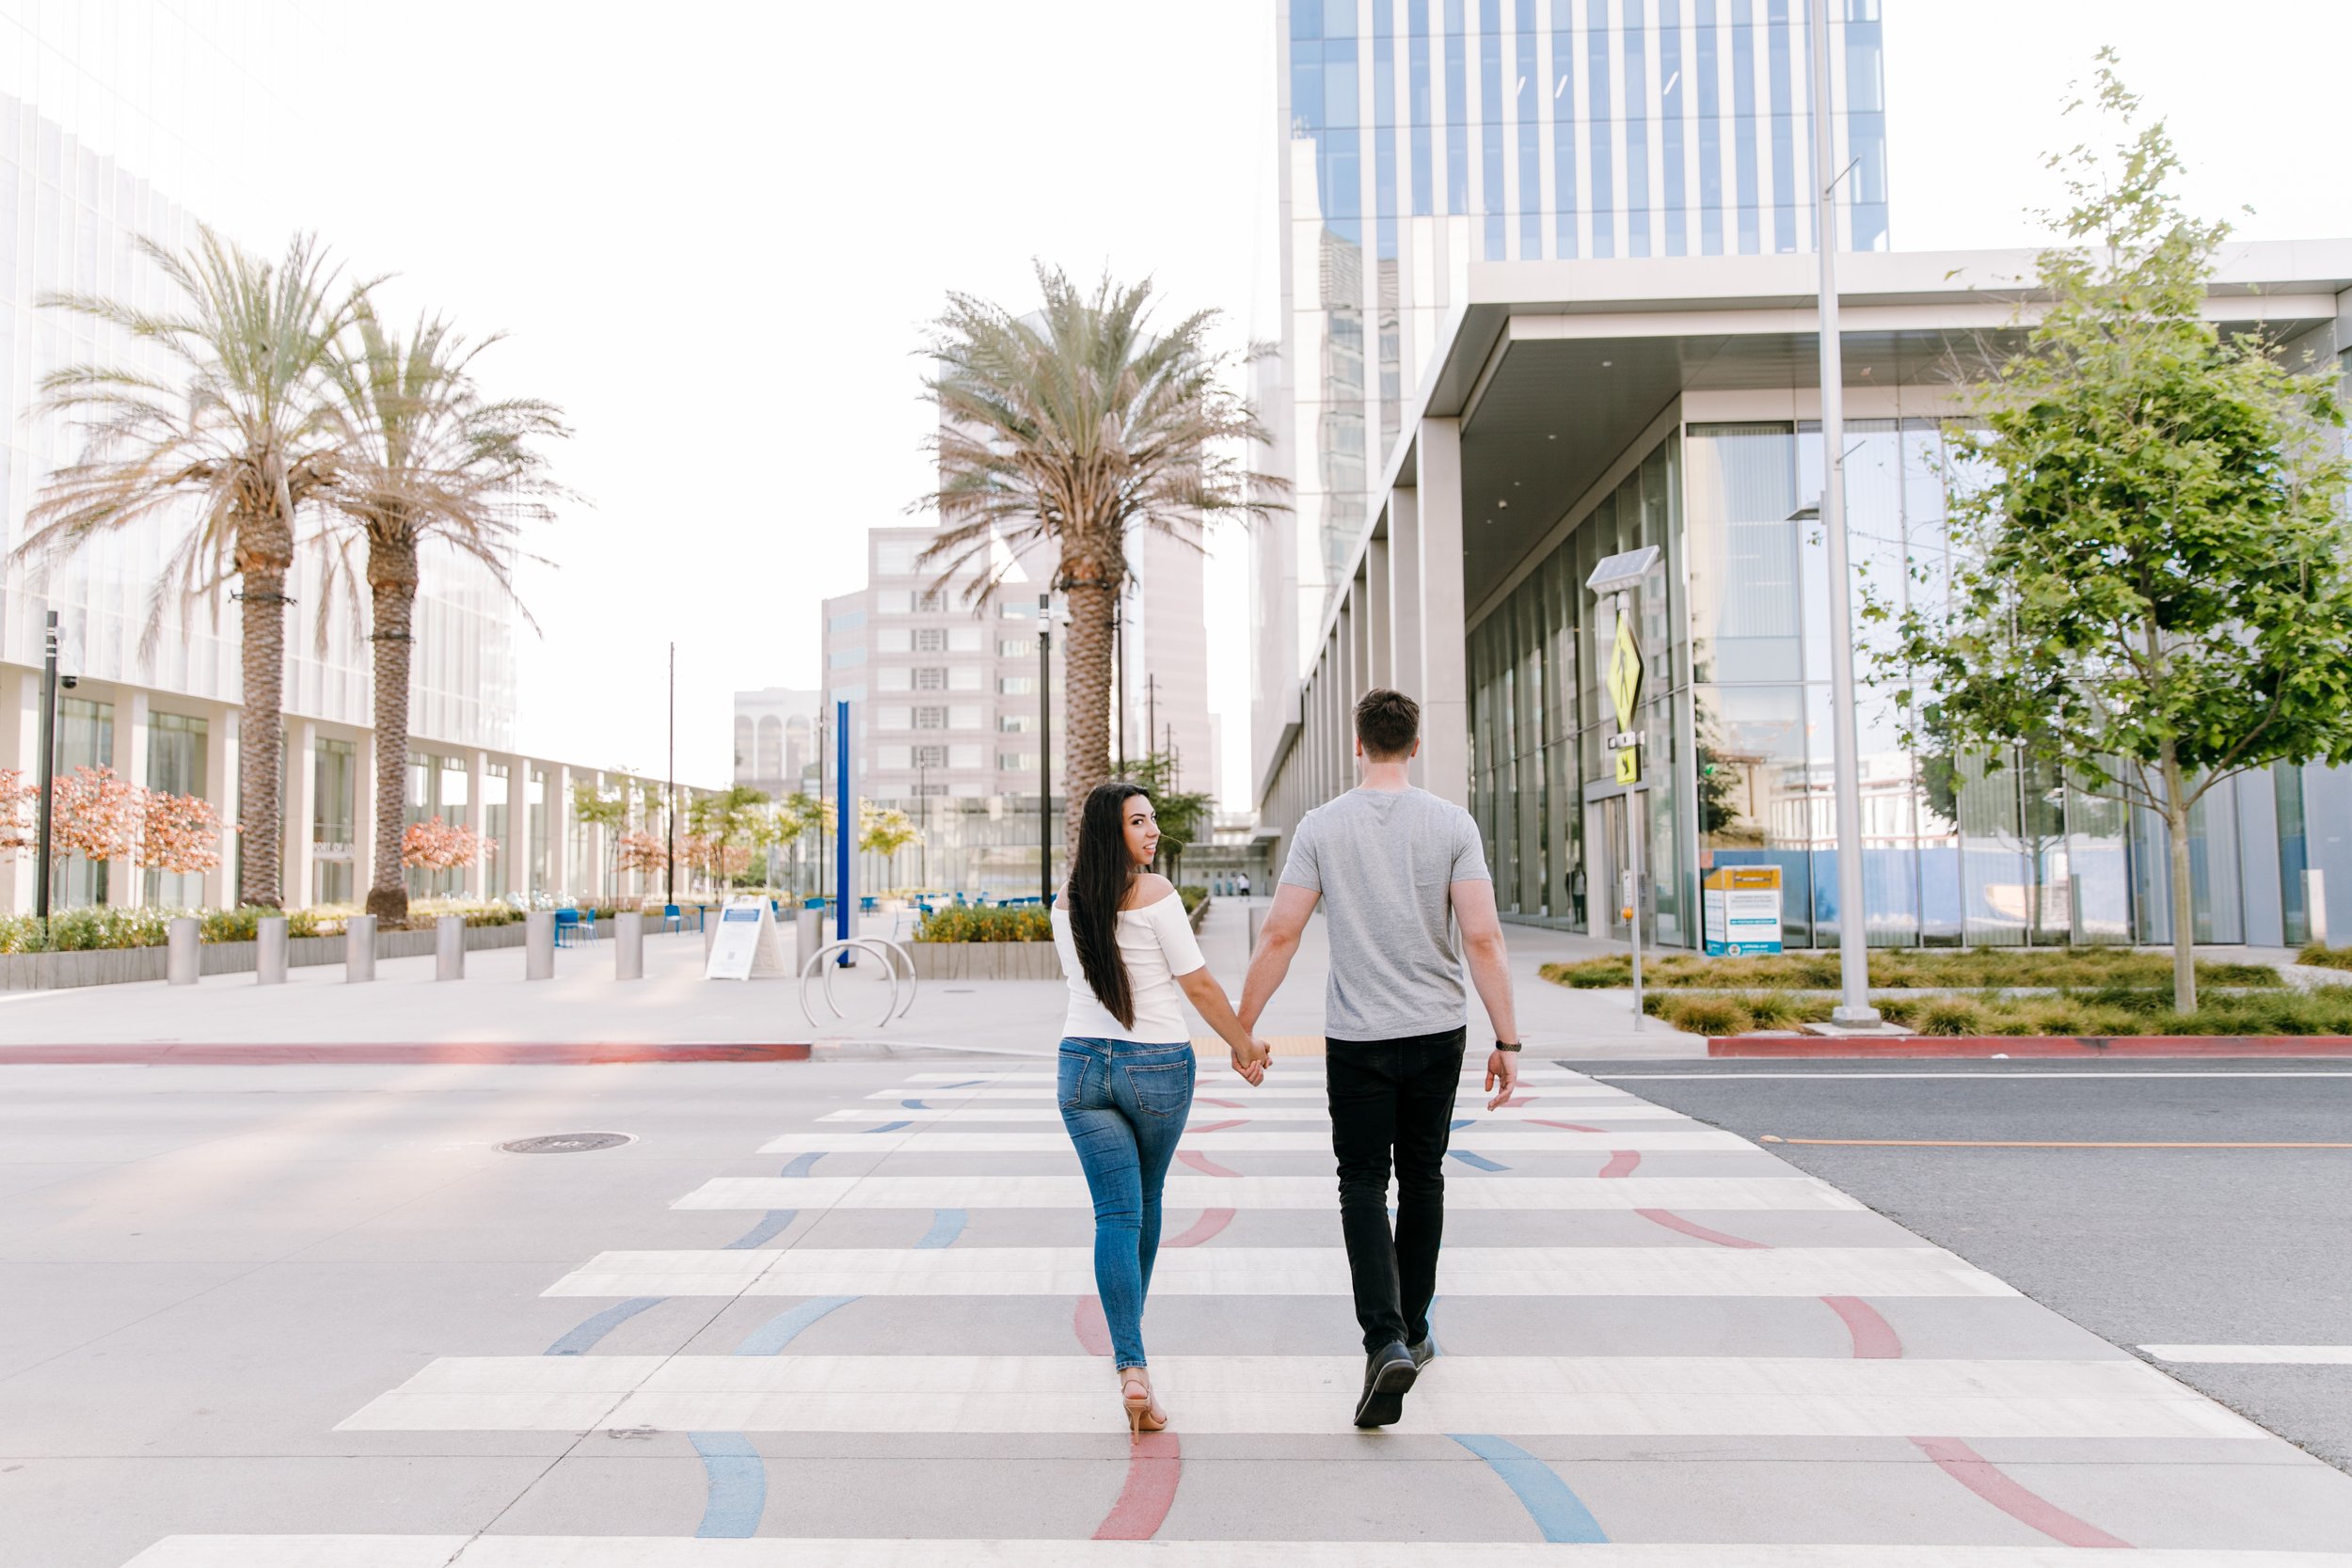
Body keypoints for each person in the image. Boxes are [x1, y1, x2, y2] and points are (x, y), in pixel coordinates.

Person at [1238, 688, 1522, 1429]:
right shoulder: (1451, 823)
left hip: (1358, 1038)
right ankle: (1414, 1330)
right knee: (1422, 1175)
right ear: (1416, 745)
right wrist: (1508, 1038)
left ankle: (1385, 1338)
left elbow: (1279, 934)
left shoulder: (1322, 827)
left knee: (1362, 1181)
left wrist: (1243, 1026)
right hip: (1437, 1031)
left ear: (1357, 745)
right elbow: (1484, 938)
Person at [1053, 781, 1272, 1440]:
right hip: (1155, 1067)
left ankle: (1133, 1365)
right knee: (1141, 1204)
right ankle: (1132, 1358)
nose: (1152, 832)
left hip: (1082, 1067)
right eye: (1138, 822)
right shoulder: (1157, 895)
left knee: (1116, 1214)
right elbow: (1199, 984)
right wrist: (1246, 1046)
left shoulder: (1063, 901)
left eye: (1151, 820)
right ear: (1108, 832)